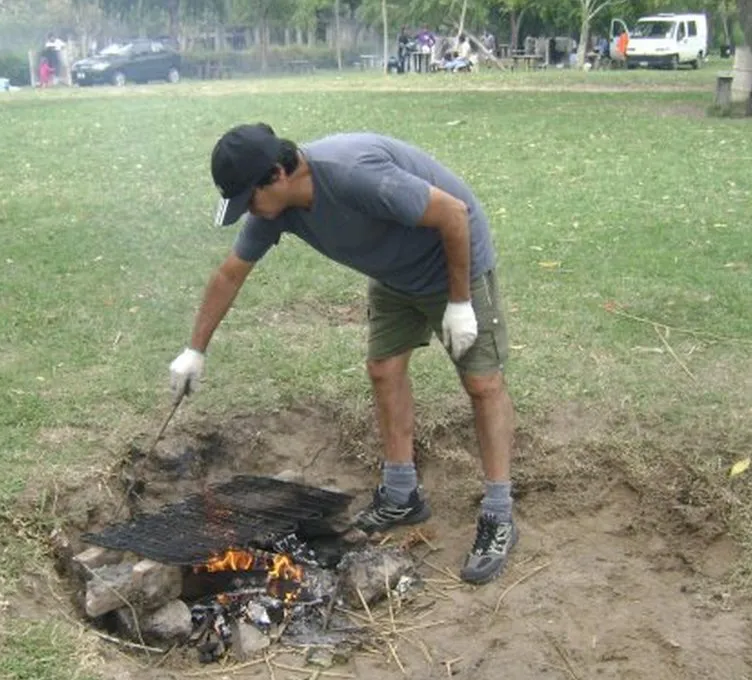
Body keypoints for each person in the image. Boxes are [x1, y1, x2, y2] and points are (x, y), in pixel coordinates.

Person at [169, 124, 518, 585]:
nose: (249, 211)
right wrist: (195, 350)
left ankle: (498, 514)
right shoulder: (276, 208)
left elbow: (454, 213)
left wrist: (458, 303)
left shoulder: (353, 174)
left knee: (481, 383)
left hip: (452, 262)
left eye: (248, 198)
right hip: (394, 275)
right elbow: (231, 274)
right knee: (383, 369)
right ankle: (401, 494)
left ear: (276, 174)